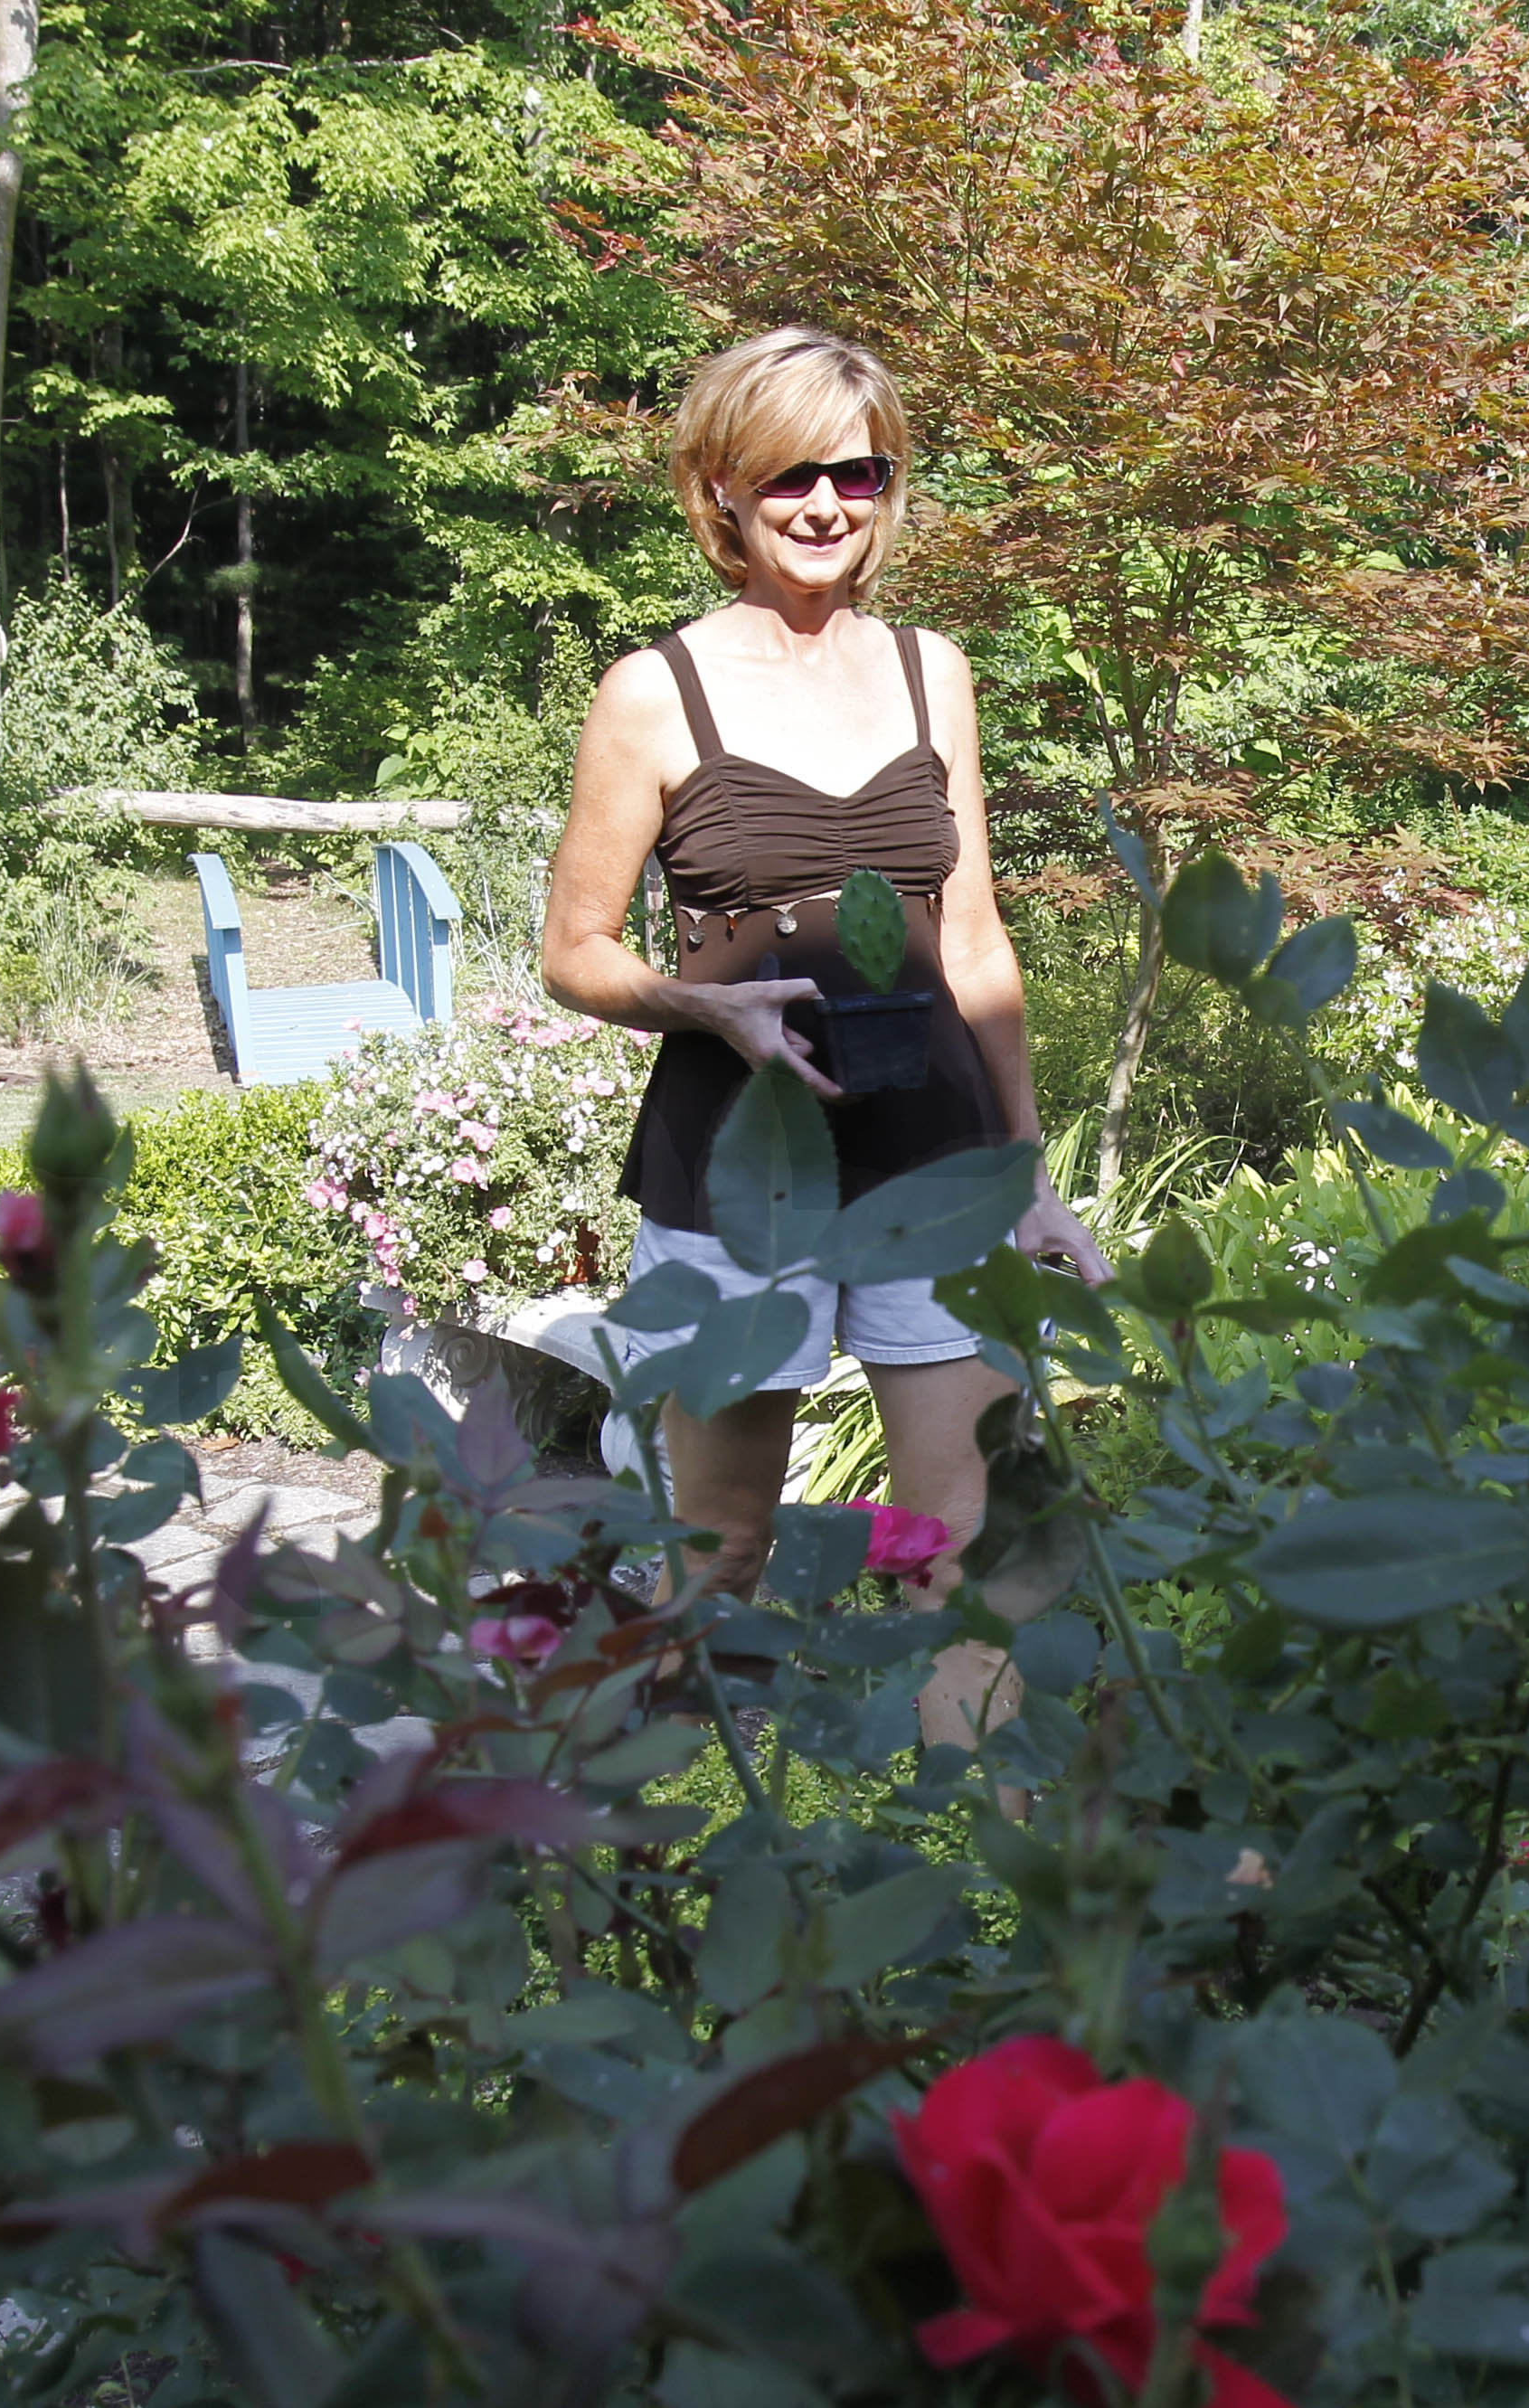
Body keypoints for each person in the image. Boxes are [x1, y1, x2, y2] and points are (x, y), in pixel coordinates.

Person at [539, 326, 1106, 1742]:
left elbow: (973, 943)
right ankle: (667, 1853)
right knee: (718, 1554)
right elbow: (574, 952)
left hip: (934, 1159)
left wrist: (1025, 1174)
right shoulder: (652, 692)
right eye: (788, 472)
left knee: (964, 1551)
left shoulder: (932, 673)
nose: (823, 504)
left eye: (856, 473)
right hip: (745, 1168)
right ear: (720, 487)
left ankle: (984, 1879)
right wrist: (699, 1004)